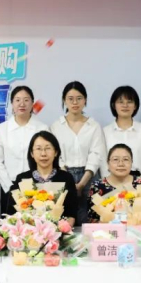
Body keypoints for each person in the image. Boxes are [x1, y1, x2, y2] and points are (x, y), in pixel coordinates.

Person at [8, 131, 78, 283]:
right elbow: (13, 213)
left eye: (48, 148)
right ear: (32, 153)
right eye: (38, 148)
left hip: (58, 236)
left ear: (56, 151)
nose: (43, 153)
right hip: (29, 237)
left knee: (59, 274)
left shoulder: (66, 178)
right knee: (23, 270)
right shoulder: (22, 179)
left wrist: (57, 230)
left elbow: (72, 213)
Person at [50, 81, 106, 225]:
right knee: (64, 219)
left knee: (90, 218)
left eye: (79, 98)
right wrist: (68, 178)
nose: (75, 102)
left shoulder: (94, 126)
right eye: (70, 98)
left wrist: (82, 183)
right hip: (63, 174)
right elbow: (55, 154)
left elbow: (96, 155)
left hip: (89, 176)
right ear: (64, 100)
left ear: (85, 100)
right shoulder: (56, 126)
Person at [0, 86, 49, 214]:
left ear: (32, 103)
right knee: (10, 224)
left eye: (26, 100)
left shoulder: (42, 128)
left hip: (37, 185)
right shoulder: (2, 129)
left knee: (38, 222)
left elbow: (48, 157)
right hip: (10, 185)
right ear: (12, 104)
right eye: (17, 100)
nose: (22, 104)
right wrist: (9, 187)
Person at [88, 144, 141, 223]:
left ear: (131, 162)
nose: (121, 164)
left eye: (126, 159)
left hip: (140, 230)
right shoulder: (97, 186)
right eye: (115, 159)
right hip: (107, 230)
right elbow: (92, 220)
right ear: (108, 163)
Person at [101, 86, 141, 180]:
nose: (125, 105)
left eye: (129, 102)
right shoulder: (105, 132)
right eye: (121, 102)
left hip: (138, 181)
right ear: (113, 105)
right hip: (112, 181)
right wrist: (108, 184)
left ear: (135, 106)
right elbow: (103, 165)